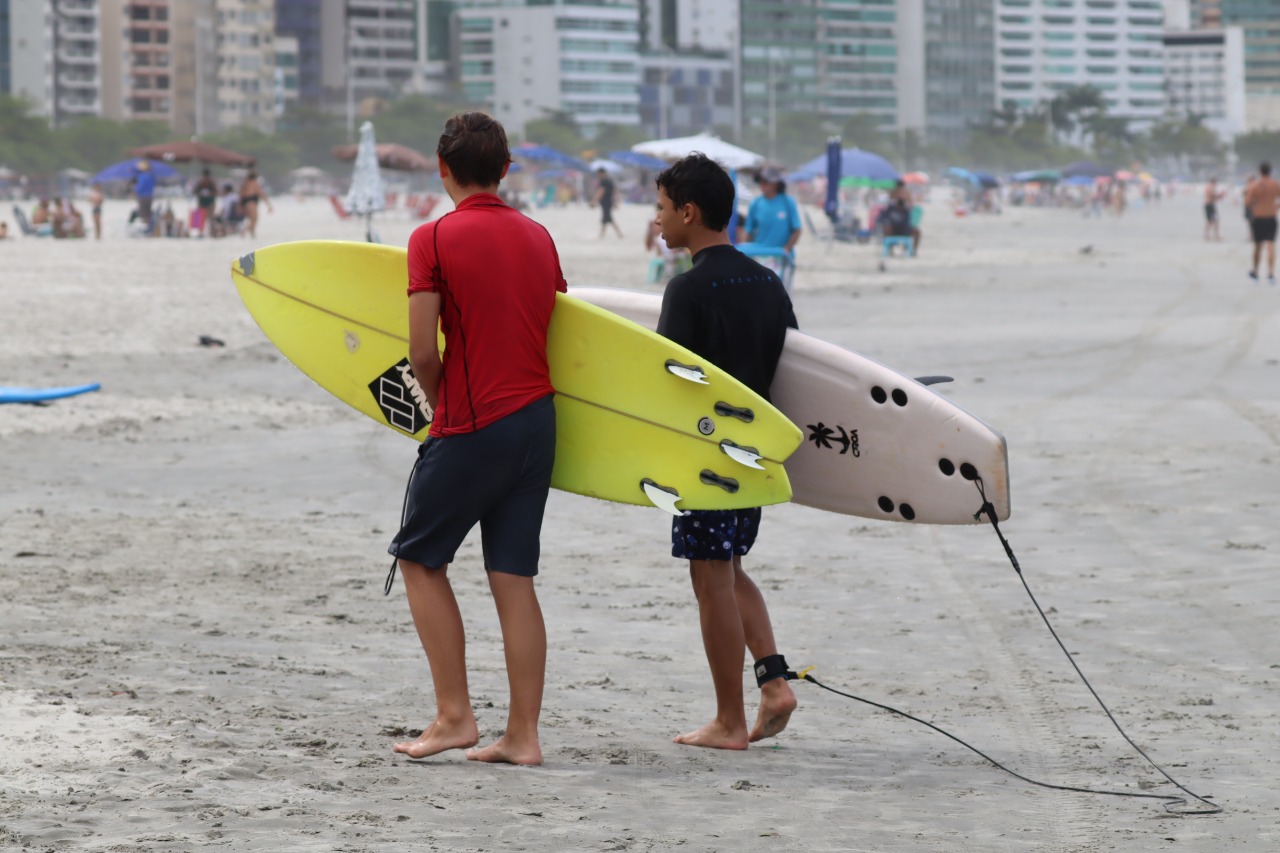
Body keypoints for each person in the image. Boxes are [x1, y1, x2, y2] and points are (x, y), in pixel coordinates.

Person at [387, 111, 565, 766]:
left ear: (441, 168)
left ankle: (454, 715)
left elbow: (419, 348)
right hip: (537, 420)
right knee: (512, 577)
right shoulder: (540, 236)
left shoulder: (431, 238)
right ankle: (523, 735)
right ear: (506, 170)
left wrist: (441, 410)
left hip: (471, 420)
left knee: (419, 557)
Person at [652, 152, 799, 750]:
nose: (657, 220)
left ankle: (729, 722)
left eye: (662, 208)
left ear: (690, 211)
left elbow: (664, 384)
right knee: (731, 568)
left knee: (710, 578)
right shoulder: (767, 282)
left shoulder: (687, 289)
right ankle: (774, 683)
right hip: (755, 459)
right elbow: (795, 370)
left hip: (705, 460)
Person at [743, 167, 802, 290]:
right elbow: (748, 231)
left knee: (780, 293)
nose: (762, 184)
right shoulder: (756, 203)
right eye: (760, 181)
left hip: (781, 257)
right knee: (759, 292)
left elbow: (797, 230)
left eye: (765, 181)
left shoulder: (788, 202)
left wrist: (786, 249)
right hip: (760, 255)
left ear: (775, 183)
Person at [1245, 161, 1280, 284]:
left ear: (1260, 171)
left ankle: (1255, 272)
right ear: (1270, 171)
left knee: (1258, 246)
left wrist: (1256, 207)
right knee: (1270, 245)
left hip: (1259, 217)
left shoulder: (1255, 185)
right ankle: (1271, 274)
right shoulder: (1275, 184)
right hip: (1271, 217)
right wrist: (1276, 206)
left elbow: (1248, 202)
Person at [238, 170, 272, 239]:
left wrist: (239, 206)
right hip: (251, 202)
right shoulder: (254, 183)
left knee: (250, 220)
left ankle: (252, 234)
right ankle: (244, 232)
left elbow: (240, 196)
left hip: (245, 203)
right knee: (254, 219)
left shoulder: (245, 183)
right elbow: (261, 194)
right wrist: (268, 205)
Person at [593, 167, 622, 239]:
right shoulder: (609, 181)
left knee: (608, 218)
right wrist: (616, 201)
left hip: (605, 202)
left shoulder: (604, 181)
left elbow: (601, 191)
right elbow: (615, 191)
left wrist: (594, 201)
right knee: (605, 218)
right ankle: (602, 235)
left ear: (601, 173)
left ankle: (619, 234)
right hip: (609, 202)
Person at [132, 160, 156, 233]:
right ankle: (149, 227)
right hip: (150, 196)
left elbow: (140, 188)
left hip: (143, 196)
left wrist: (134, 188)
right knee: (148, 213)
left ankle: (146, 229)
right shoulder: (151, 176)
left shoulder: (142, 176)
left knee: (144, 213)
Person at [193, 168, 218, 237]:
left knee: (210, 218)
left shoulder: (211, 183)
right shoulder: (201, 183)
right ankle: (202, 232)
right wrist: (201, 193)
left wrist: (209, 193)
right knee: (202, 218)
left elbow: (216, 192)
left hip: (209, 202)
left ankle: (212, 232)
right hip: (203, 202)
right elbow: (195, 192)